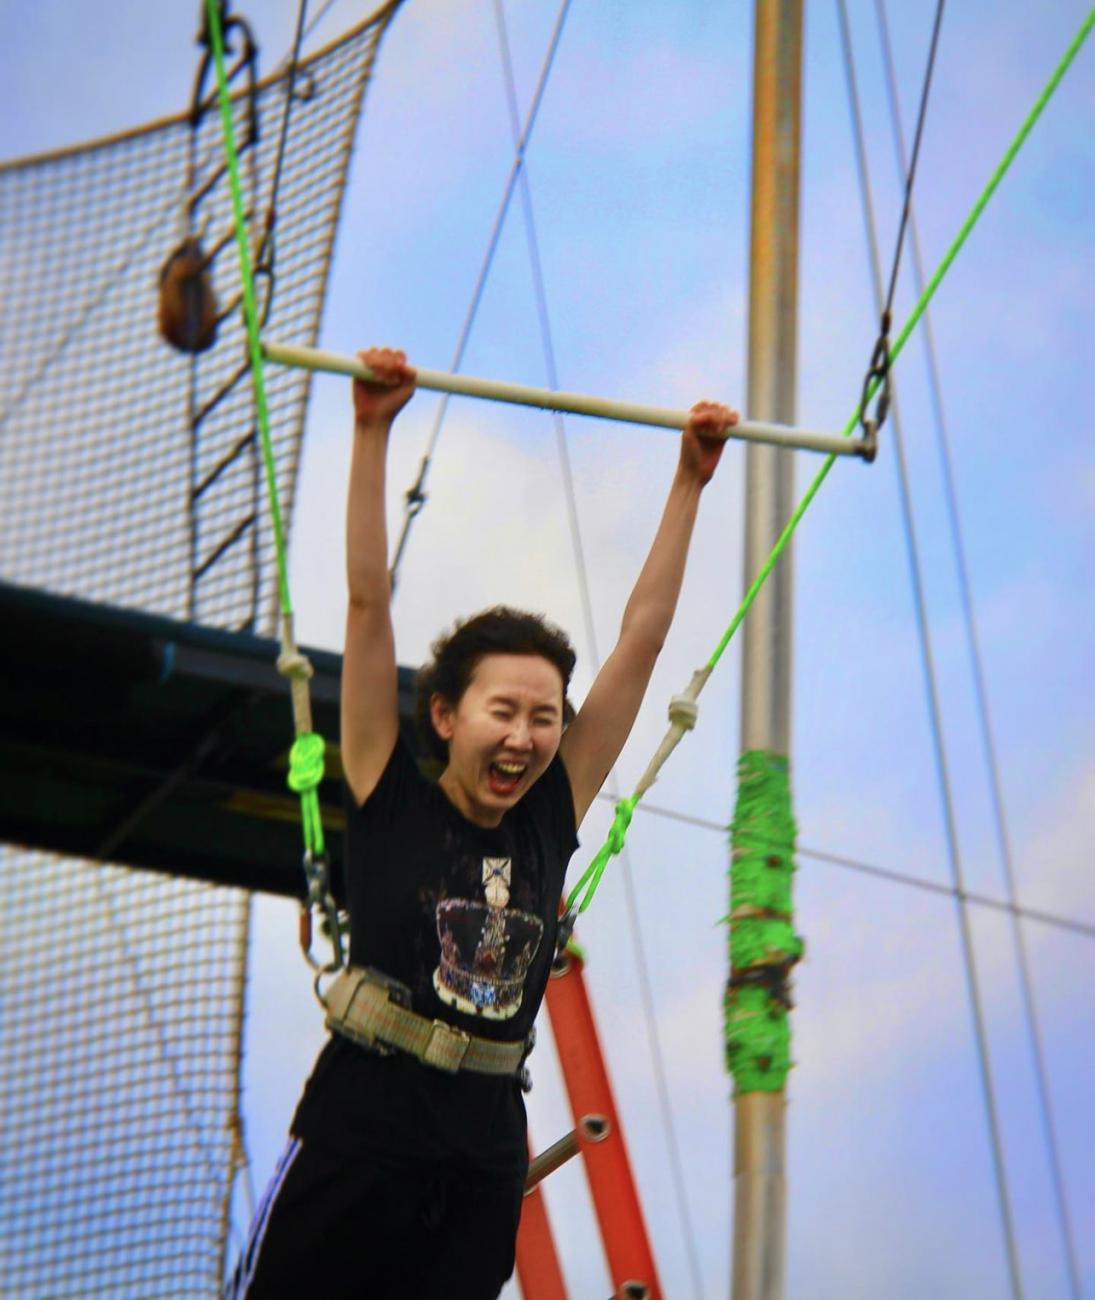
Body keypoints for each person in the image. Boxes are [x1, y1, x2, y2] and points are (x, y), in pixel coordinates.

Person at [227, 348, 737, 1299]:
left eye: (545, 717)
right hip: (360, 1134)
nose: (526, 737)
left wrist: (687, 483)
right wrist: (373, 430)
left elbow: (642, 639)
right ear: (445, 717)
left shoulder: (550, 814)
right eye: (503, 711)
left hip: (477, 1159)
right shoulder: (388, 789)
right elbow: (368, 605)